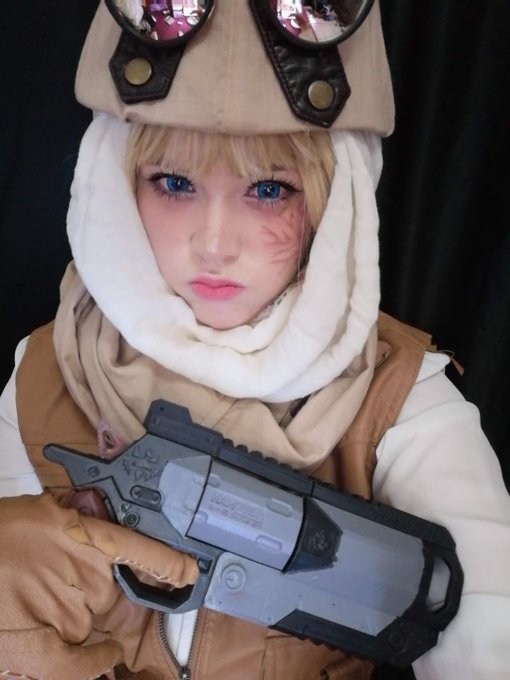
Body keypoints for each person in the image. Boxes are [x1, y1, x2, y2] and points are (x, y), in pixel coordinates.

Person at [1, 2, 509, 679]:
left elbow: (491, 637)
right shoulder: (43, 374)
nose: (215, 244)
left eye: (269, 189)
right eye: (174, 182)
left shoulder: (403, 402)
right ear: (116, 180)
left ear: (335, 200)